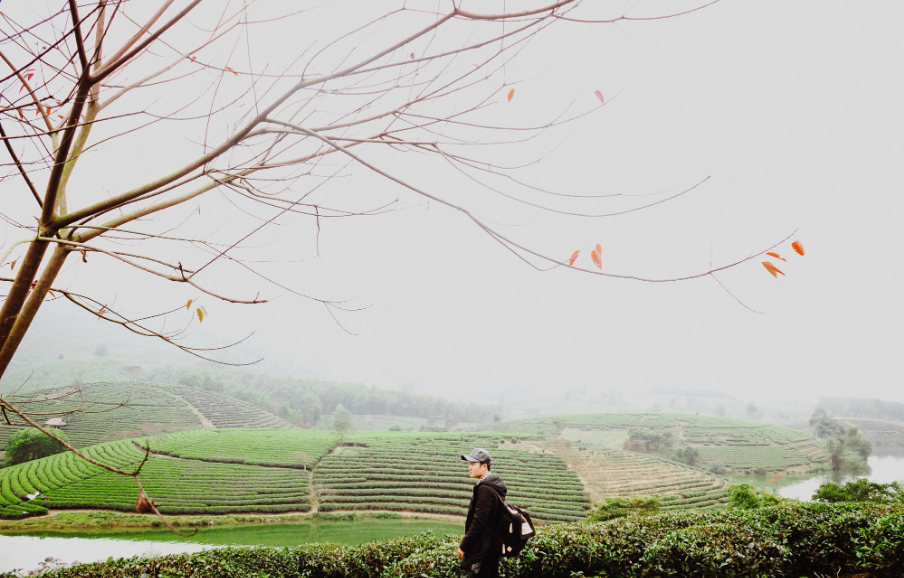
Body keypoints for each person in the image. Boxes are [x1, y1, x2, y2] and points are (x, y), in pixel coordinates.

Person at [458, 448, 507, 578]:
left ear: (484, 466)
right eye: (469, 464)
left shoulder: (485, 489)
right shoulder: (494, 484)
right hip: (492, 545)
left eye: (473, 464)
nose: (469, 468)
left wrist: (464, 546)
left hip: (484, 547)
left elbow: (479, 521)